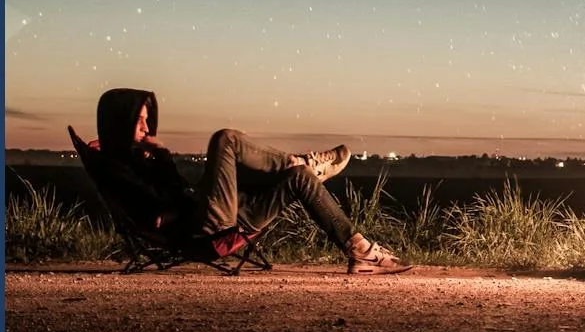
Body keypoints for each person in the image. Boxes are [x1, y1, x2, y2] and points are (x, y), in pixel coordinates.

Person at [88, 88, 411, 275]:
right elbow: (155, 214)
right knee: (225, 140)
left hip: (216, 213)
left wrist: (163, 160)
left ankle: (361, 251)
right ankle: (302, 161)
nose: (146, 126)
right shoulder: (116, 167)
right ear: (120, 121)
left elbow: (171, 192)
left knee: (297, 179)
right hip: (203, 228)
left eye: (147, 118)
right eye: (139, 120)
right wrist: (175, 189)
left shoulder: (143, 159)